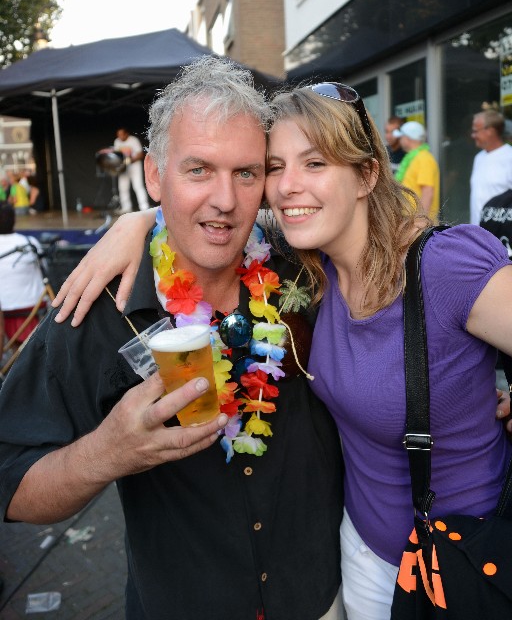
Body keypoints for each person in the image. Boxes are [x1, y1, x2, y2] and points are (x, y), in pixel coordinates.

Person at [54, 80, 512, 620]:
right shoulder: (310, 269)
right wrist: (136, 221)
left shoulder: (442, 265)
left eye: (315, 163)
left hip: (461, 562)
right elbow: (210, 208)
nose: (288, 186)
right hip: (362, 557)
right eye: (274, 167)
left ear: (367, 174)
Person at [0, 57, 344, 620]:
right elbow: (9, 483)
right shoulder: (96, 307)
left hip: (322, 598)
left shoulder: (305, 271)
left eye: (246, 173)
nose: (226, 201)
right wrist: (107, 453)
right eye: (199, 170)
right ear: (155, 175)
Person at [0, 202, 46, 353]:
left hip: (6, 312)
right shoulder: (29, 243)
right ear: (14, 220)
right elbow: (44, 268)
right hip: (34, 307)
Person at [469, 108, 512, 225]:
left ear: (491, 131)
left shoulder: (509, 156)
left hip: (500, 234)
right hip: (477, 232)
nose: (473, 135)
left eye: (476, 131)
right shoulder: (478, 157)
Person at [392, 120, 440, 220]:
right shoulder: (413, 158)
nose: (400, 140)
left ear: (407, 139)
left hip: (418, 224)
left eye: (401, 137)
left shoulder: (424, 158)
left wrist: (421, 221)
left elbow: (427, 192)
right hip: (410, 220)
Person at [113, 127, 150, 214]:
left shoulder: (133, 140)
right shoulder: (117, 141)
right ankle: (126, 208)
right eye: (118, 135)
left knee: (138, 186)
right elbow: (116, 155)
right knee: (123, 187)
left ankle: (144, 207)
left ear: (126, 134)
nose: (120, 137)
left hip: (134, 166)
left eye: (122, 135)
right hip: (123, 167)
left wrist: (130, 160)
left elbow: (140, 154)